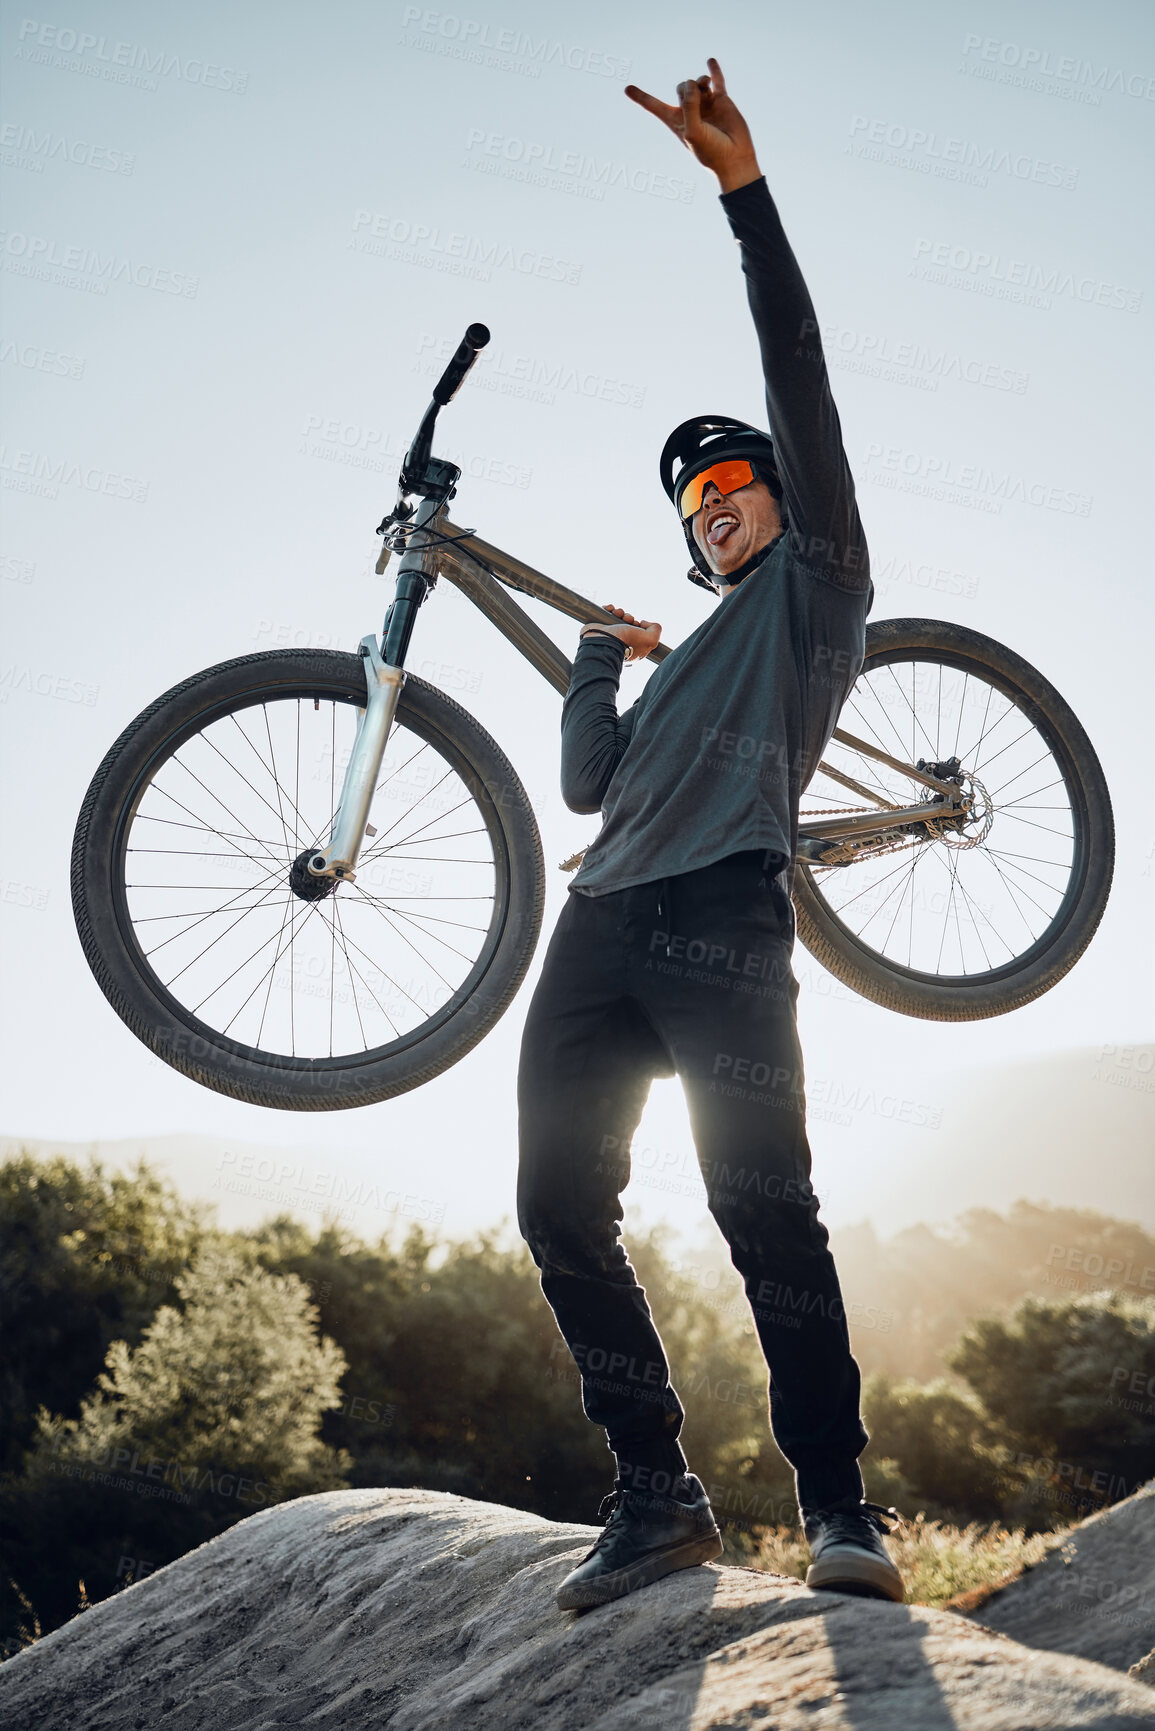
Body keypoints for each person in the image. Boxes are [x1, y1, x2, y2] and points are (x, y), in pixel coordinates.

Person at [516, 59, 904, 1613]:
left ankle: (841, 1508)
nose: (717, 503)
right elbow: (587, 786)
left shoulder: (815, 587)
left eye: (735, 480)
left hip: (727, 921)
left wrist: (743, 194)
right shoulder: (676, 671)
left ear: (778, 497)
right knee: (557, 1207)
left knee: (762, 1211)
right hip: (600, 918)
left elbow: (796, 369)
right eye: (696, 503)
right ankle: (656, 1493)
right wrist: (602, 660)